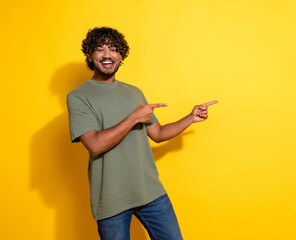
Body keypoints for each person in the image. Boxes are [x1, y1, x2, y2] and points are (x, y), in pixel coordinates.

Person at [67, 26, 217, 240]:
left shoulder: (134, 92)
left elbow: (158, 133)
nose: (107, 55)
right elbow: (95, 145)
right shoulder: (79, 96)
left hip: (150, 192)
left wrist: (191, 117)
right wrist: (134, 118)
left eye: (113, 49)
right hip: (111, 198)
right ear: (90, 55)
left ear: (121, 56)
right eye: (100, 49)